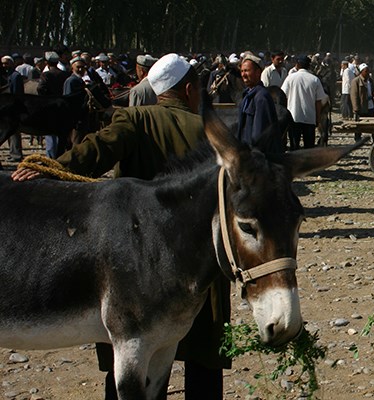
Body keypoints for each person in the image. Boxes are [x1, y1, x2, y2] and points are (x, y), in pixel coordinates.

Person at [12, 53, 231, 399]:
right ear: (189, 89)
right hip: (198, 262)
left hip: (136, 261)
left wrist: (48, 169)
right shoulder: (211, 131)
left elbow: (95, 151)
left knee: (132, 356)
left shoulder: (135, 120)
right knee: (203, 357)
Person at [237, 53, 282, 153]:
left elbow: (259, 135)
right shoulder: (247, 96)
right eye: (242, 71)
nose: (243, 74)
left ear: (258, 73)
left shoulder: (261, 98)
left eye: (247, 71)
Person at [281, 55, 326, 150]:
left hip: (294, 117)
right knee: (309, 147)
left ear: (297, 65)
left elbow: (283, 96)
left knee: (294, 145)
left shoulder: (290, 78)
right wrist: (318, 118)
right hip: (309, 117)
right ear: (309, 66)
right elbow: (318, 102)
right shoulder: (314, 79)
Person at [2, 55, 24, 162]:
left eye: (6, 63)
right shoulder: (7, 75)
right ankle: (13, 153)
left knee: (14, 132)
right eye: (3, 64)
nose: (4, 65)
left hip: (13, 108)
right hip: (7, 108)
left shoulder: (15, 76)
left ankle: (16, 154)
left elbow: (16, 94)